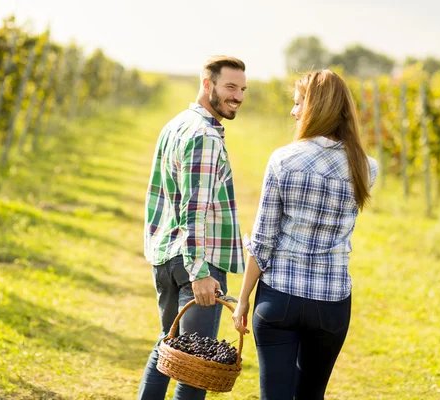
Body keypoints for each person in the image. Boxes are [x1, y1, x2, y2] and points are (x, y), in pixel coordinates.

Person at [232, 69, 378, 399]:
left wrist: (243, 300)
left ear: (316, 108)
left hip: (279, 297)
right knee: (312, 394)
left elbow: (264, 240)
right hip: (332, 303)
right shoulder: (366, 168)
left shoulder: (284, 160)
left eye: (298, 103)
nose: (293, 111)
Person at [138, 55, 247, 400]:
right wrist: (199, 271)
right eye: (230, 86)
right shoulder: (204, 135)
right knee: (195, 365)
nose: (238, 96)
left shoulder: (178, 124)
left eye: (242, 89)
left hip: (167, 256)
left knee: (169, 348)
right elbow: (194, 210)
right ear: (207, 84)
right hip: (195, 262)